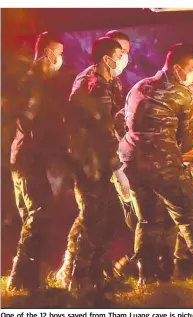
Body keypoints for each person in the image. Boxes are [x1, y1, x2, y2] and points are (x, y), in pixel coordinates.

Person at [118, 43, 193, 286]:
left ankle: (146, 276)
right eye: (192, 69)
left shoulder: (138, 87)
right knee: (190, 213)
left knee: (147, 220)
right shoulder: (182, 95)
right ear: (178, 69)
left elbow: (123, 120)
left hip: (132, 162)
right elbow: (188, 140)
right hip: (163, 163)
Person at [60, 37, 127, 290]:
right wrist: (119, 169)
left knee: (103, 216)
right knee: (92, 218)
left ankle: (92, 276)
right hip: (89, 162)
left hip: (100, 159)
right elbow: (104, 131)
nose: (123, 60)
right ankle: (78, 279)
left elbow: (117, 119)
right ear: (106, 59)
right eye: (120, 55)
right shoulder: (94, 86)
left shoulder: (111, 81)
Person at [5, 32, 65, 291]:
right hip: (29, 156)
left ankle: (28, 278)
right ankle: (22, 277)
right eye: (59, 54)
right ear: (50, 53)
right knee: (40, 212)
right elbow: (29, 119)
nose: (60, 59)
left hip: (23, 155)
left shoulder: (29, 79)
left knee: (34, 214)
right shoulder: (36, 81)